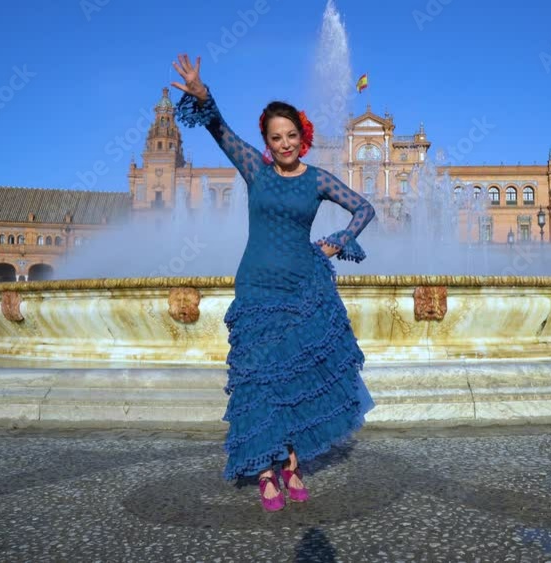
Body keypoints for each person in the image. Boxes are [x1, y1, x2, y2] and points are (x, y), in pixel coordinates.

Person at [171, 53, 376, 512]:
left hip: (303, 289)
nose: (284, 144)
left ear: (302, 137)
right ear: (266, 141)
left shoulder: (318, 180)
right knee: (259, 379)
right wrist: (205, 96)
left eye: (291, 136)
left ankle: (294, 465)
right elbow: (220, 131)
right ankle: (266, 469)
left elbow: (364, 209)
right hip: (257, 289)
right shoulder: (256, 170)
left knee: (299, 376)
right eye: (275, 137)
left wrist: (336, 241)